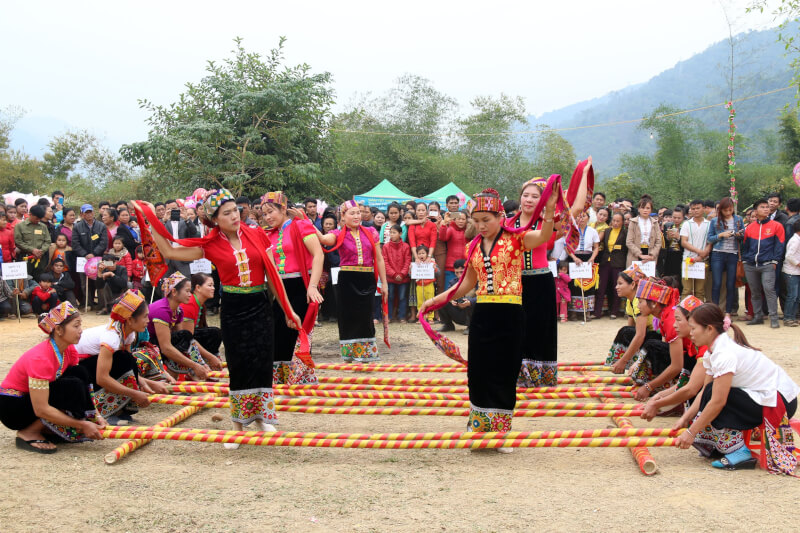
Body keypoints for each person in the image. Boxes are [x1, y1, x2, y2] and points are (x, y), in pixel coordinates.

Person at [137, 190, 302, 443]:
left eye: (236, 210)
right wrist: (149, 216)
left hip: (260, 305)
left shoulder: (257, 234)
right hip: (234, 308)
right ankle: (238, 425)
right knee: (239, 364)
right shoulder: (210, 245)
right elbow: (169, 250)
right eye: (227, 213)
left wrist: (288, 310)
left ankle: (262, 418)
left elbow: (274, 277)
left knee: (261, 361)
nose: (235, 215)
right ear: (215, 219)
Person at [418, 186, 557, 446]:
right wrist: (436, 300)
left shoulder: (518, 239)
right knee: (479, 371)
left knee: (505, 371)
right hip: (483, 313)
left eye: (486, 220)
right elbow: (466, 284)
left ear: (500, 218)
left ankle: (500, 433)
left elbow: (545, 236)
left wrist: (548, 210)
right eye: (476, 221)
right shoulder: (473, 247)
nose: (481, 226)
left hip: (511, 314)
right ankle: (480, 427)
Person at [675, 303, 799, 474]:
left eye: (693, 328)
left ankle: (739, 451)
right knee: (709, 393)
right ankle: (726, 446)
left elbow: (718, 401)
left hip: (780, 401)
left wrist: (691, 432)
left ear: (709, 329)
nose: (690, 333)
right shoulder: (712, 352)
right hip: (762, 397)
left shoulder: (724, 353)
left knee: (715, 397)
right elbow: (704, 391)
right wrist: (685, 419)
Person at [513, 162, 592, 386]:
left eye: (534, 196)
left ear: (543, 201)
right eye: (525, 195)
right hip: (515, 282)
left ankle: (540, 376)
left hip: (540, 281)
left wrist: (584, 174)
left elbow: (575, 208)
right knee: (517, 328)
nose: (528, 199)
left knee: (540, 329)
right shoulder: (508, 224)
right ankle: (518, 374)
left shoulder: (548, 223)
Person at [0, 303, 105, 452]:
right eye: (76, 326)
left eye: (80, 325)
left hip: (30, 399)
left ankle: (49, 427)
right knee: (72, 385)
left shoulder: (69, 349)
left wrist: (96, 415)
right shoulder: (41, 358)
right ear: (59, 330)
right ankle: (29, 432)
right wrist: (81, 425)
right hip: (12, 407)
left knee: (80, 374)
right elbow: (41, 408)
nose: (81, 331)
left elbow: (79, 382)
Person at [76, 290, 168, 425]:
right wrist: (134, 393)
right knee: (123, 359)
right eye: (145, 317)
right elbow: (102, 378)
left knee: (128, 360)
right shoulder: (111, 336)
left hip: (91, 366)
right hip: (79, 370)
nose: (148, 321)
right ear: (130, 320)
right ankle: (106, 411)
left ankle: (120, 410)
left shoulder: (128, 333)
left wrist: (149, 383)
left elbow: (130, 368)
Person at [263, 191, 324, 385]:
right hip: (279, 287)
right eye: (264, 214)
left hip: (301, 285)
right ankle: (280, 379)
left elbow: (318, 255)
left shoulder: (300, 226)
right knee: (278, 332)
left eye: (271, 211)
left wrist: (313, 286)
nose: (268, 217)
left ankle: (300, 379)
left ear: (283, 209)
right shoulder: (268, 235)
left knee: (298, 333)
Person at [317, 199, 389, 362]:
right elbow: (323, 239)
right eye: (352, 213)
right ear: (343, 216)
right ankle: (350, 352)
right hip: (347, 278)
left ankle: (365, 353)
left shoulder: (371, 232)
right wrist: (305, 223)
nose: (357, 216)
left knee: (365, 315)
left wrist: (384, 283)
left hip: (367, 277)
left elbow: (379, 259)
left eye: (358, 212)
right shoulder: (338, 233)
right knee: (348, 315)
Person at [640, 295, 708, 420]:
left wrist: (656, 400)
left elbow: (691, 389)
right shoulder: (695, 347)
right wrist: (660, 396)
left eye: (678, 320)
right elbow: (684, 384)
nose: (674, 325)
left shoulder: (706, 349)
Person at [628, 277, 686, 402]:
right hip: (687, 360)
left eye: (641, 302)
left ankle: (664, 385)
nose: (638, 306)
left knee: (652, 345)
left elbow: (677, 365)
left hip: (694, 363)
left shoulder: (671, 320)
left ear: (654, 303)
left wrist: (649, 386)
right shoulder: (664, 317)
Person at [605, 265, 659, 372]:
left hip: (656, 338)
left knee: (625, 332)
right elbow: (631, 331)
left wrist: (623, 361)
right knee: (626, 332)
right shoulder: (630, 301)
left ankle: (621, 366)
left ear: (633, 284)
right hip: (648, 337)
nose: (616, 287)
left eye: (620, 284)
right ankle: (617, 366)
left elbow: (640, 335)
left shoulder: (639, 301)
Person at [741, 198, 785, 328]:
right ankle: (758, 316)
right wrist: (745, 260)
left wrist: (774, 261)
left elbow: (780, 245)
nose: (766, 209)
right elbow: (745, 245)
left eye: (767, 207)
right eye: (763, 207)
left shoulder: (776, 226)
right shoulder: (750, 228)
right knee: (754, 292)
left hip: (767, 264)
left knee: (769, 290)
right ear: (755, 211)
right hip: (750, 264)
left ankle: (773, 318)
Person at [707, 197, 744, 318]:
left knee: (730, 284)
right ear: (720, 210)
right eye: (725, 210)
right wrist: (721, 235)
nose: (728, 212)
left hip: (733, 254)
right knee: (716, 283)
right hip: (718, 253)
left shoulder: (738, 219)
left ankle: (728, 312)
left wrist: (738, 235)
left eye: (730, 210)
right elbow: (709, 238)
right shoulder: (715, 221)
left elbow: (743, 237)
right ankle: (715, 312)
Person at [72, 204, 108, 310]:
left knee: (99, 281)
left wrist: (94, 253)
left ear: (93, 212)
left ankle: (101, 305)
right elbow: (75, 243)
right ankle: (88, 303)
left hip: (98, 259)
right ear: (82, 214)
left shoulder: (101, 226)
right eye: (86, 212)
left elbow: (103, 242)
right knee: (84, 283)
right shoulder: (77, 227)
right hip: (83, 259)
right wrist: (84, 254)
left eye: (90, 212)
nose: (89, 214)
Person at [180, 273, 224, 358]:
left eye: (213, 285)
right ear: (198, 288)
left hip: (190, 337)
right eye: (210, 285)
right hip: (182, 340)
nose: (213, 288)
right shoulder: (189, 304)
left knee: (214, 333)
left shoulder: (200, 304)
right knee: (214, 333)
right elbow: (188, 337)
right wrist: (210, 357)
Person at [594, 212, 627, 319]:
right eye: (614, 221)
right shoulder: (607, 230)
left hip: (618, 263)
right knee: (601, 287)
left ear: (622, 222)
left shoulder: (625, 233)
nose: (616, 223)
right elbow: (597, 241)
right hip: (605, 262)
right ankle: (597, 312)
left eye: (618, 221)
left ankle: (614, 312)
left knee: (616, 287)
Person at [567, 211, 600, 317]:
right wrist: (574, 258)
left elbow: (596, 247)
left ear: (588, 218)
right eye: (578, 216)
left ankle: (587, 311)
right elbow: (567, 247)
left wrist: (592, 258)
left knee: (588, 284)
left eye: (583, 216)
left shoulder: (593, 231)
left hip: (588, 258)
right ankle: (574, 312)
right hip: (575, 258)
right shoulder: (571, 230)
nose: (581, 218)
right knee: (574, 284)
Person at [680, 199, 711, 301]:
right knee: (687, 290)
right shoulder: (686, 224)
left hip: (703, 261)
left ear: (704, 209)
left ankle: (699, 315)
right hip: (688, 260)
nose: (695, 211)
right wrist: (699, 252)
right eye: (693, 209)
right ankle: (684, 313)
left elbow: (710, 242)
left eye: (698, 208)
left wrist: (702, 255)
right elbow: (684, 242)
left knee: (700, 291)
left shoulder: (709, 224)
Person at [14, 204, 51, 279]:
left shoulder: (43, 227)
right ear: (30, 214)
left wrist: (41, 251)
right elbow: (18, 242)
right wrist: (32, 250)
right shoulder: (20, 226)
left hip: (40, 259)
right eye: (36, 218)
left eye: (40, 219)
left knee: (39, 279)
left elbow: (47, 241)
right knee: (25, 280)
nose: (38, 220)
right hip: (25, 258)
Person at [382, 224, 411, 323]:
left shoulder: (406, 246)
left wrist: (402, 274)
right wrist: (394, 274)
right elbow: (385, 262)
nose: (392, 235)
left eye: (394, 233)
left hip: (403, 278)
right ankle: (388, 316)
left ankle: (402, 316)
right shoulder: (385, 247)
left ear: (400, 234)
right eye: (390, 232)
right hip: (390, 277)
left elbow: (408, 261)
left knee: (403, 297)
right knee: (389, 297)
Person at [438, 259, 475, 334]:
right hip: (459, 314)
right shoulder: (453, 282)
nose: (459, 275)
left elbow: (480, 298)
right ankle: (448, 324)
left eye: (462, 272)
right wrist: (451, 300)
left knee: (468, 300)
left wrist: (470, 302)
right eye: (457, 273)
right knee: (441, 299)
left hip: (473, 314)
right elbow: (447, 295)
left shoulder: (476, 282)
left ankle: (471, 326)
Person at [625, 195, 661, 268]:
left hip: (650, 254)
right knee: (633, 278)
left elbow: (658, 241)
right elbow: (629, 241)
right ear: (638, 209)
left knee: (648, 278)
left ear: (651, 210)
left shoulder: (655, 222)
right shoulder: (633, 222)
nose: (645, 210)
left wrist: (651, 255)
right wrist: (640, 254)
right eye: (643, 207)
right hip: (635, 254)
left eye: (648, 208)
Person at [438, 211, 468, 289]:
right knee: (449, 292)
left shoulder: (469, 231)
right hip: (451, 267)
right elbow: (442, 237)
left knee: (465, 292)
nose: (461, 221)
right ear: (454, 220)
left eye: (463, 219)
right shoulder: (451, 229)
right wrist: (444, 224)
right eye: (458, 219)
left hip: (466, 266)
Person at [781, 218, 800, 327]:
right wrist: (798, 264)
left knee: (796, 297)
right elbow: (789, 256)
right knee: (792, 296)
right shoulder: (795, 240)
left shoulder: (797, 239)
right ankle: (788, 317)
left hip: (795, 272)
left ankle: (792, 317)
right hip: (791, 272)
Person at [413, 245, 438, 321]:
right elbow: (411, 275)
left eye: (423, 253)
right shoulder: (415, 264)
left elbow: (438, 273)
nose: (421, 255)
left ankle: (430, 318)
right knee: (420, 302)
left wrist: (435, 268)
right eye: (419, 253)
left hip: (429, 285)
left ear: (427, 254)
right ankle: (421, 318)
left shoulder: (432, 262)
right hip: (419, 285)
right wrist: (410, 269)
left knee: (430, 301)